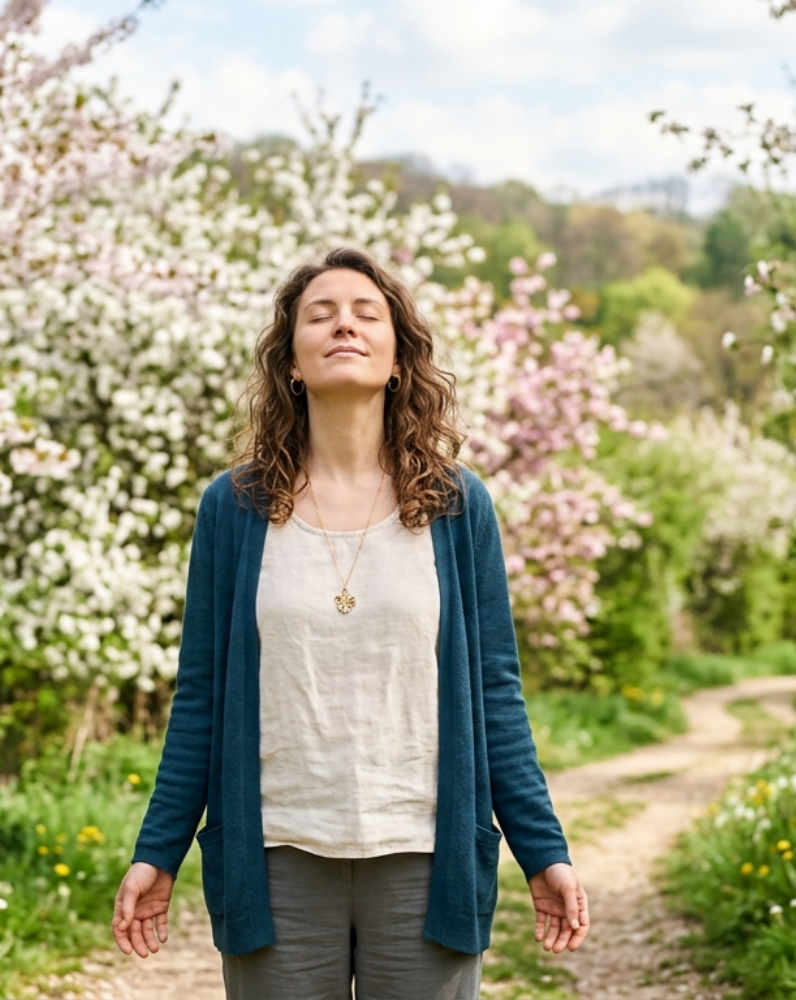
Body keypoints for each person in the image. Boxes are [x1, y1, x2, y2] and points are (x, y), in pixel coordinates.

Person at [111, 246, 588, 999]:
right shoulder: (232, 509)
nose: (344, 324)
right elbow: (200, 697)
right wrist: (157, 850)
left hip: (426, 859)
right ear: (290, 363)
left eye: (367, 313)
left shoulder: (458, 507)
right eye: (320, 313)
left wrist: (543, 849)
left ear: (399, 360)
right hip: (275, 859)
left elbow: (497, 694)